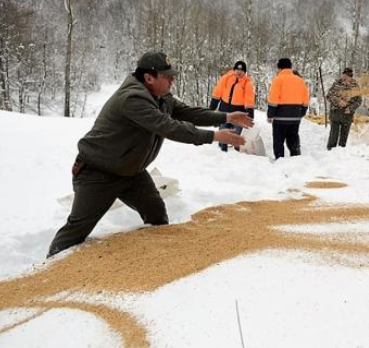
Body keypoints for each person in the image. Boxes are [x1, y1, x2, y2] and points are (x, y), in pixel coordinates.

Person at [47, 51, 254, 258]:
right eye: (167, 77)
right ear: (149, 78)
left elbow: (188, 112)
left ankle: (152, 262)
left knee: (157, 216)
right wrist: (215, 136)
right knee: (76, 230)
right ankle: (47, 269)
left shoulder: (160, 96)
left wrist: (226, 115)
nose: (172, 80)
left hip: (131, 172)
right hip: (98, 172)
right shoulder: (132, 99)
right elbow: (169, 127)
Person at [267, 58, 310, 159]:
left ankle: (279, 159)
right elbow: (306, 99)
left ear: (280, 68)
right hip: (295, 117)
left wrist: (270, 115)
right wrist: (301, 113)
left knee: (278, 140)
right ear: (290, 67)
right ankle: (296, 158)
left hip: (280, 117)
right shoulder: (300, 80)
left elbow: (273, 99)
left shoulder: (278, 79)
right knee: (293, 138)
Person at [209, 61, 255, 151]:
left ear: (245, 72)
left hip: (238, 113)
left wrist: (250, 114)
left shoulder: (247, 83)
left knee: (236, 136)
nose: (239, 72)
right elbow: (217, 93)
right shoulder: (225, 78)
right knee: (223, 133)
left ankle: (236, 154)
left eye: (241, 70)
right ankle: (222, 151)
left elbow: (249, 99)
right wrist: (212, 107)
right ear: (234, 70)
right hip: (224, 111)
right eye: (237, 69)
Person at [326, 68, 362, 150]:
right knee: (333, 135)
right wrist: (338, 101)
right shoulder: (336, 84)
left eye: (347, 77)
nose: (345, 79)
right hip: (335, 113)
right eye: (344, 76)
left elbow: (359, 101)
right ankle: (330, 152)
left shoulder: (355, 86)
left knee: (344, 137)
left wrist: (350, 108)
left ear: (351, 77)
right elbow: (329, 96)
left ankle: (341, 154)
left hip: (347, 114)